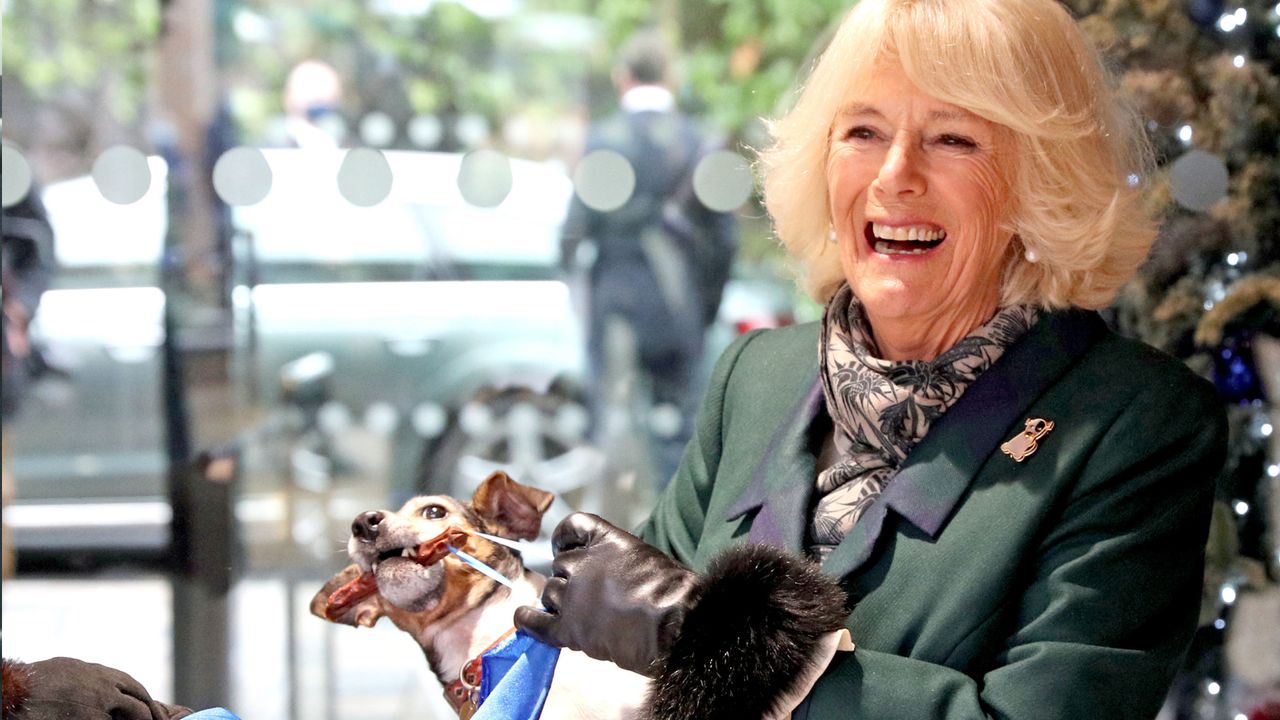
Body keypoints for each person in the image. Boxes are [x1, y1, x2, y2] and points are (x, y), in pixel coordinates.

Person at [515, 0, 1228, 717]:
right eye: (863, 131)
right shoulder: (753, 377)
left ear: (1037, 181)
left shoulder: (1136, 423)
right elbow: (618, 667)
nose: (894, 175)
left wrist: (704, 635)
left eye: (953, 138)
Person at [561, 29, 739, 487]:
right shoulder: (699, 141)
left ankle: (611, 533)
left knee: (611, 430)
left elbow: (574, 230)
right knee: (678, 438)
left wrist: (581, 295)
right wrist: (706, 308)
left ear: (623, 79)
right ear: (671, 78)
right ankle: (673, 543)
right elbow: (724, 240)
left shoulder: (601, 138)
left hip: (615, 304)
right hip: (678, 305)